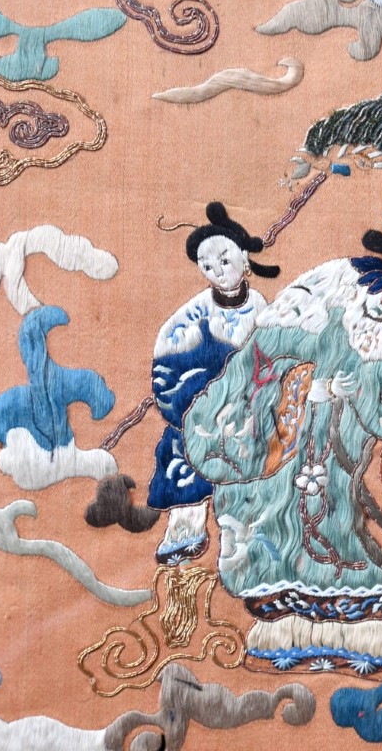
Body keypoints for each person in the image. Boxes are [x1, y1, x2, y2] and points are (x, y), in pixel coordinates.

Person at [182, 142, 382, 680]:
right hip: (293, 439)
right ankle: (287, 625)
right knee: (286, 523)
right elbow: (268, 348)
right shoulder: (339, 276)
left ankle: (355, 624)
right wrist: (307, 389)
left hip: (347, 451)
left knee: (345, 522)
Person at [148, 202, 279, 565]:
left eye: (224, 260)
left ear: (244, 258)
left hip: (247, 407)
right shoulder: (194, 313)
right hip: (197, 403)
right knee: (183, 454)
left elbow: (270, 355)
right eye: (207, 266)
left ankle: (246, 544)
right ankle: (184, 530)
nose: (218, 271)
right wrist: (190, 402)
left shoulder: (260, 305)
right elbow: (167, 360)